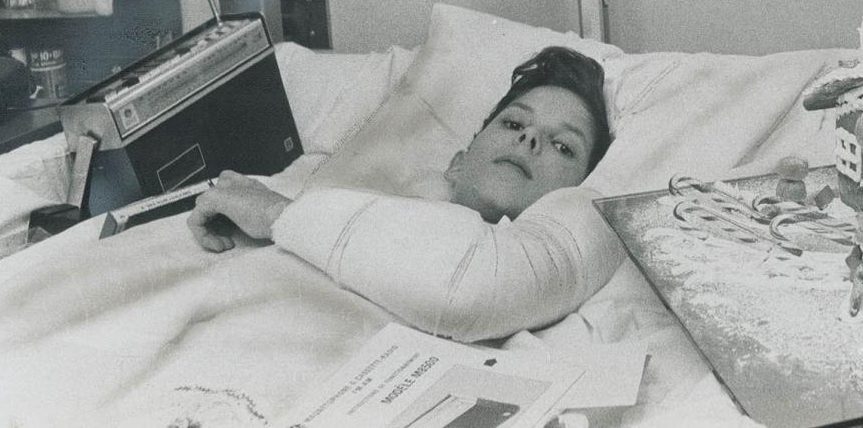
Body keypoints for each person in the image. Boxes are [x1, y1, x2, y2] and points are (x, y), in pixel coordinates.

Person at [186, 45, 622, 342]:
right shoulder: (360, 205)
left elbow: (466, 287)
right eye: (513, 124)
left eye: (563, 146)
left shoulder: (567, 236)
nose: (529, 140)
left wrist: (281, 216)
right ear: (458, 160)